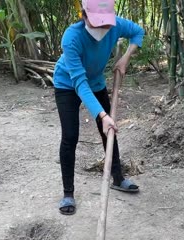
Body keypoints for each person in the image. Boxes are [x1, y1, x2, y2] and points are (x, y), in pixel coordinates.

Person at [52, 0, 145, 215]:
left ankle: (118, 178)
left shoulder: (116, 25)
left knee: (109, 132)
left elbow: (138, 32)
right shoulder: (72, 37)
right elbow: (79, 83)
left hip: (95, 83)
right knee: (70, 136)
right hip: (68, 84)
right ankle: (68, 193)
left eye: (106, 24)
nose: (103, 29)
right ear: (84, 16)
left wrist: (125, 58)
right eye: (98, 23)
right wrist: (102, 115)